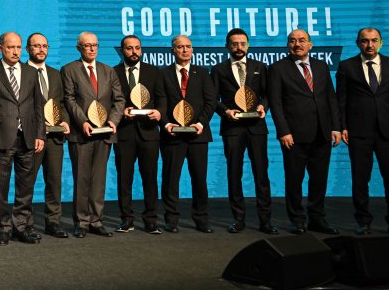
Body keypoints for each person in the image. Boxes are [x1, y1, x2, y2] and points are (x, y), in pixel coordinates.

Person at [267, 29, 342, 235]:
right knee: (294, 179)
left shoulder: (321, 66)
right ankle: (297, 220)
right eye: (292, 41)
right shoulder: (278, 68)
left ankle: (317, 218)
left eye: (301, 41)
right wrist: (283, 131)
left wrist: (335, 127)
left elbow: (330, 98)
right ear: (287, 45)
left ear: (310, 44)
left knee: (319, 179)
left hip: (322, 133)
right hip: (294, 135)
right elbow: (276, 103)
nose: (297, 44)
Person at [336, 27, 389, 235]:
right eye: (365, 41)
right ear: (358, 43)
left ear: (381, 43)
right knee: (360, 179)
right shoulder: (346, 66)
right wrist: (342, 127)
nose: (370, 45)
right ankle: (363, 221)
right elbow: (341, 100)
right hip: (358, 131)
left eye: (374, 40)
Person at [0, 32, 46, 244]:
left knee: (25, 186)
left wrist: (40, 134)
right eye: (11, 47)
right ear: (0, 48)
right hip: (1, 138)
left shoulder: (31, 72)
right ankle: (2, 228)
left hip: (27, 137)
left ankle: (21, 227)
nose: (15, 51)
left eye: (19, 47)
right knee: (0, 187)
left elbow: (38, 106)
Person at [211, 28, 275, 234]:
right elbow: (213, 99)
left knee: (261, 173)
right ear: (227, 46)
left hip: (257, 127)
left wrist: (263, 106)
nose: (239, 48)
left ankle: (265, 221)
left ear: (248, 45)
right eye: (234, 44)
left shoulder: (260, 67)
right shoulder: (218, 69)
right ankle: (238, 220)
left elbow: (268, 94)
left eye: (242, 44)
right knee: (234, 173)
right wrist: (225, 111)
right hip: (232, 128)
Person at [62, 31, 122, 237]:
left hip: (104, 134)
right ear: (79, 47)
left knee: (99, 179)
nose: (92, 48)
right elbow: (69, 99)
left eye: (94, 45)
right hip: (82, 134)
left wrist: (113, 121)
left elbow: (119, 100)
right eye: (87, 45)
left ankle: (97, 221)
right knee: (82, 179)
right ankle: (82, 222)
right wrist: (83, 122)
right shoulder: (69, 69)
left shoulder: (108, 71)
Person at [159, 35, 216, 233]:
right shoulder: (163, 74)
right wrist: (167, 125)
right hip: (172, 136)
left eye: (188, 47)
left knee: (199, 179)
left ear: (192, 50)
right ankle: (171, 220)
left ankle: (201, 219)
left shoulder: (202, 72)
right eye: (180, 47)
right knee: (170, 179)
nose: (185, 50)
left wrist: (200, 123)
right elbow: (161, 103)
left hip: (198, 135)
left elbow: (211, 101)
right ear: (172, 50)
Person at [112, 35, 164, 234]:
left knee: (150, 178)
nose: (134, 52)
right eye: (129, 48)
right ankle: (126, 219)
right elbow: (110, 102)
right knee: (124, 179)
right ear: (122, 50)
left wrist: (159, 112)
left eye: (137, 48)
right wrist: (120, 113)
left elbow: (162, 98)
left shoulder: (153, 71)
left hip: (149, 133)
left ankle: (151, 220)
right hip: (124, 133)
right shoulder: (113, 72)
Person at [26, 33, 69, 238]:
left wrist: (65, 121)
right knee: (28, 181)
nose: (41, 50)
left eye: (45, 46)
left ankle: (53, 222)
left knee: (54, 181)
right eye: (36, 46)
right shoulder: (22, 73)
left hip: (54, 138)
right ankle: (26, 223)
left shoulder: (55, 74)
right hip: (31, 137)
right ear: (28, 49)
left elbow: (61, 103)